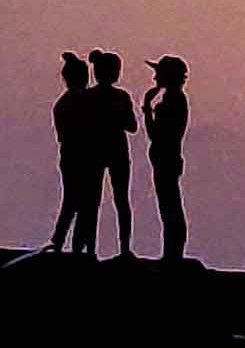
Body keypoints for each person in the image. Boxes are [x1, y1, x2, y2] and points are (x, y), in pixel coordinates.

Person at [88, 49, 138, 259]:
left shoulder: (89, 97)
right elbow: (132, 126)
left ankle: (89, 249)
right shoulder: (122, 96)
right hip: (117, 150)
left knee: (92, 201)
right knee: (122, 201)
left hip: (94, 151)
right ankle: (125, 249)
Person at [143, 55, 190, 263]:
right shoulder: (176, 99)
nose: (155, 77)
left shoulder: (172, 101)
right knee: (170, 207)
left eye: (159, 73)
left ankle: (172, 255)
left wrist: (146, 107)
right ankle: (172, 254)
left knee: (169, 208)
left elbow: (155, 133)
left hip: (165, 159)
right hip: (168, 158)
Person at [49, 52, 97, 255]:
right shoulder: (84, 101)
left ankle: (61, 241)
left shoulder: (62, 103)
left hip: (69, 157)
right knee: (83, 202)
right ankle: (75, 245)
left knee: (72, 201)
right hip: (81, 157)